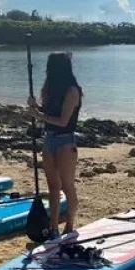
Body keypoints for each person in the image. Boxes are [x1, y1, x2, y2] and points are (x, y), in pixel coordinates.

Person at [27, 51, 82, 242]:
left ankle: (70, 225)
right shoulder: (49, 88)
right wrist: (37, 108)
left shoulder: (72, 91)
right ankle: (53, 227)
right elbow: (49, 114)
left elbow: (63, 121)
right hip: (49, 139)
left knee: (67, 185)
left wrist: (39, 116)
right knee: (53, 186)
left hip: (66, 140)